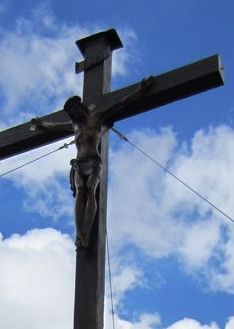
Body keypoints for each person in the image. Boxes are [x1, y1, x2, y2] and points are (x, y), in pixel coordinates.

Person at [31, 76, 153, 248]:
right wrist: (41, 123)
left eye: (74, 108)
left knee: (90, 190)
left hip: (93, 161)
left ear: (80, 106)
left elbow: (121, 103)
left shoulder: (96, 117)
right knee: (80, 191)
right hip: (79, 163)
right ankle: (80, 233)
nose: (73, 113)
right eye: (70, 111)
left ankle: (86, 231)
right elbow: (53, 126)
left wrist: (141, 90)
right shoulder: (74, 126)